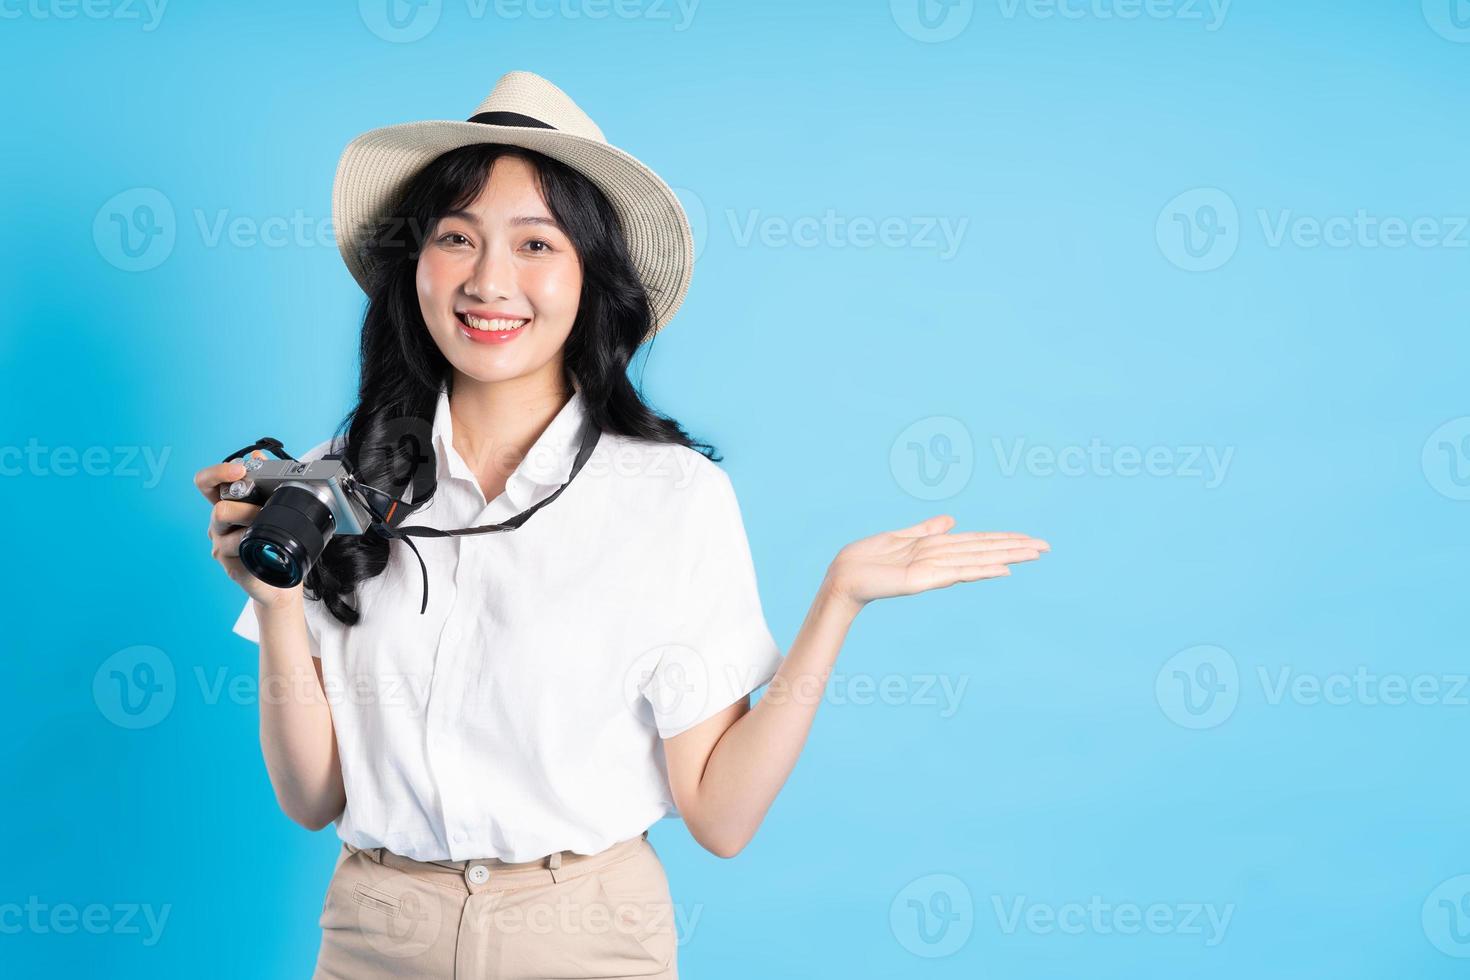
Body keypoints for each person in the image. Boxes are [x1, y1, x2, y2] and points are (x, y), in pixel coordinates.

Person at [192, 70, 1050, 979]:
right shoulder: (346, 477)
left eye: (536, 244)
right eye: (457, 237)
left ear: (590, 276)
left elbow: (719, 817)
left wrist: (836, 603)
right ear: (416, 265)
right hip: (374, 936)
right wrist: (278, 606)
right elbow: (311, 795)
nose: (490, 281)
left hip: (584, 937)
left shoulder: (669, 496)